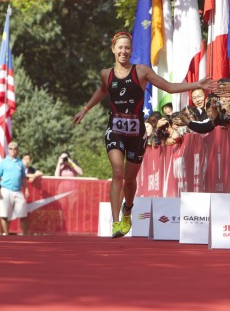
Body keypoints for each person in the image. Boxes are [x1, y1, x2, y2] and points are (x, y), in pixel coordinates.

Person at [72, 31, 212, 238]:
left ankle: (127, 208)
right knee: (117, 172)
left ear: (131, 51)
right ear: (113, 49)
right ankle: (116, 223)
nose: (123, 51)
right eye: (120, 47)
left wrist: (196, 85)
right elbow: (102, 90)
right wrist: (85, 109)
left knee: (130, 179)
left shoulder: (141, 71)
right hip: (115, 130)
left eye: (127, 48)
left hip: (137, 132)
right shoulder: (106, 74)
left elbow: (170, 87)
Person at [0, 141, 29, 236]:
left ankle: (26, 235)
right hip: (5, 189)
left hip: (18, 190)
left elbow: (23, 177)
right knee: (4, 214)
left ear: (17, 150)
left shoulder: (20, 163)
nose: (13, 151)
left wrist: (26, 188)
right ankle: (6, 234)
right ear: (8, 150)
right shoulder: (3, 162)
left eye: (15, 149)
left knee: (23, 214)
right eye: (10, 149)